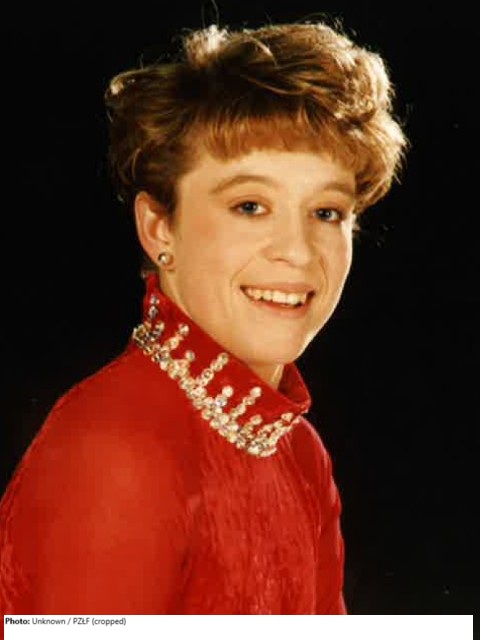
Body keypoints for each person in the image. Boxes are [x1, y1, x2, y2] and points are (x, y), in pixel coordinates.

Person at [0, 19, 407, 615]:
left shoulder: (298, 452)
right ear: (159, 229)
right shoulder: (114, 448)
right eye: (250, 205)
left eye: (326, 212)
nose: (297, 252)